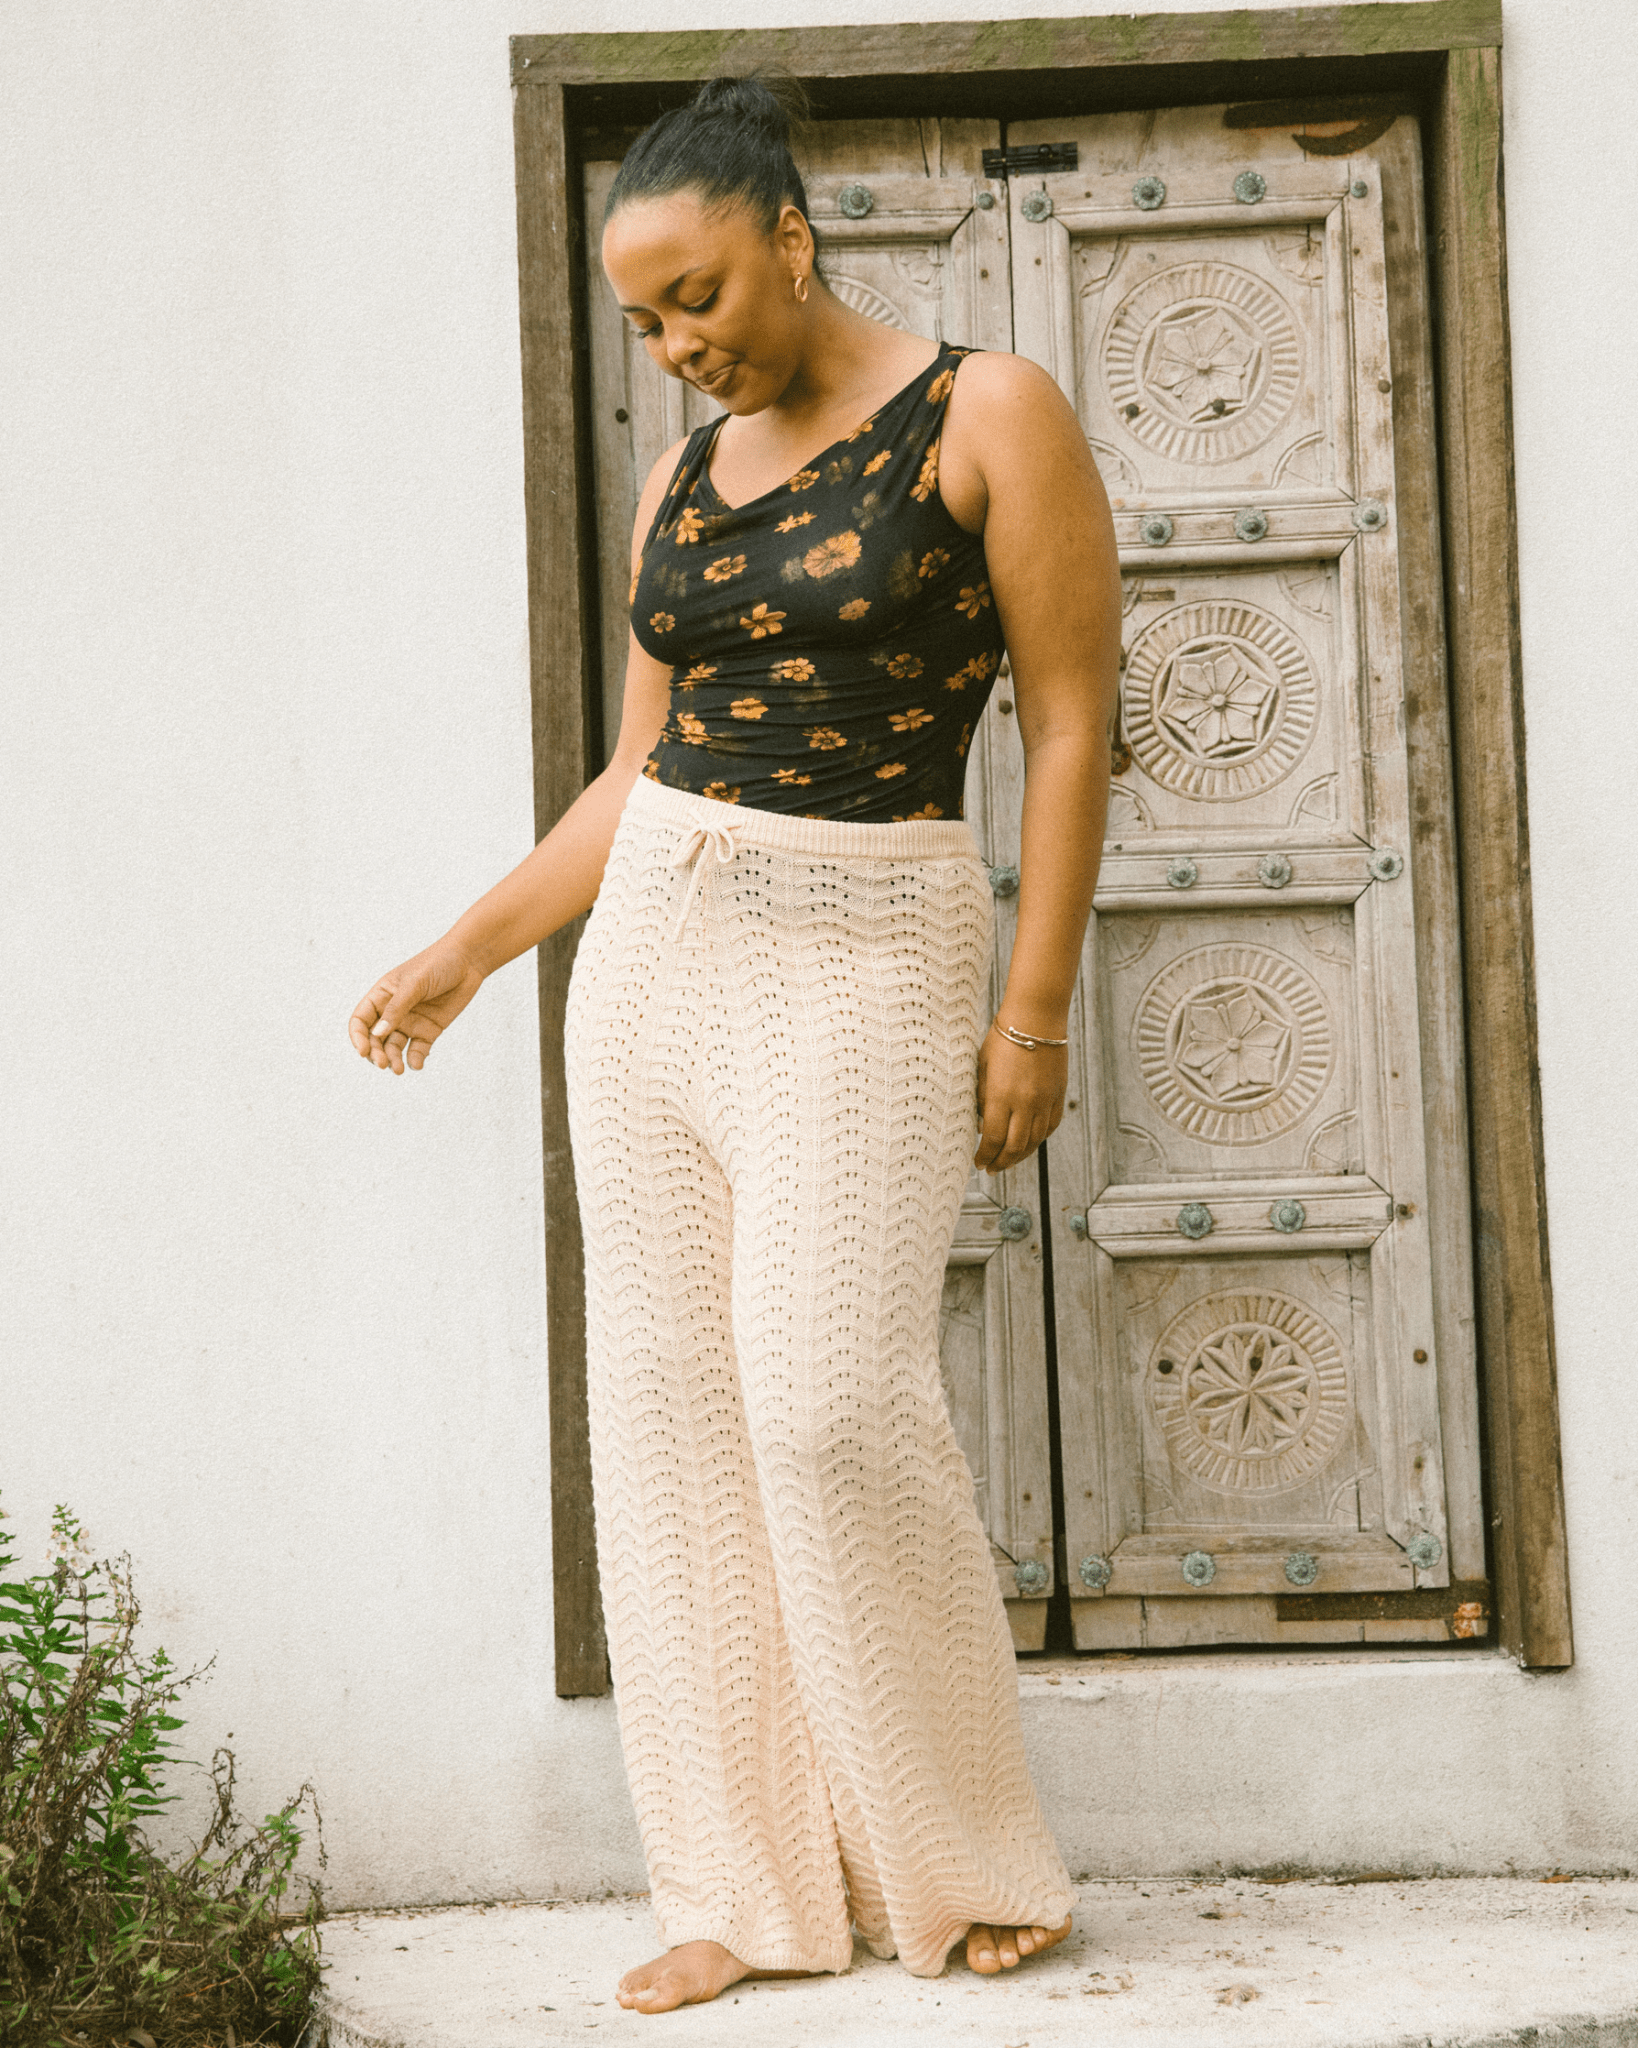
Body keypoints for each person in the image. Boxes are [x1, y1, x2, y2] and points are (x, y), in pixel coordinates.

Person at [349, 73, 1120, 2016]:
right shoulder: (680, 481)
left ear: (790, 233)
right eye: (645, 321)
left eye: (696, 295)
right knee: (673, 1424)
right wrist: (470, 949)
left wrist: (1032, 1010)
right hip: (656, 955)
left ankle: (961, 1859)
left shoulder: (987, 411)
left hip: (872, 941)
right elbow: (638, 771)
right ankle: (737, 1888)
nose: (678, 342)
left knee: (830, 1407)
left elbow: (1067, 725)